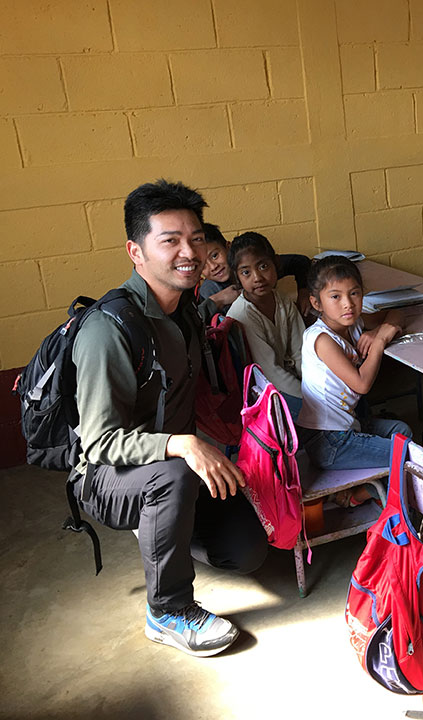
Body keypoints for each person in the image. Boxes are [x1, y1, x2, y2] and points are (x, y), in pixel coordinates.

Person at [72, 179, 268, 657]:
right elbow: (98, 444)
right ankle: (168, 610)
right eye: (170, 240)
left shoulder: (187, 313)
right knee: (173, 474)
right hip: (105, 476)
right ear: (135, 252)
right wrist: (180, 444)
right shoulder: (108, 329)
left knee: (247, 552)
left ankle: (161, 525)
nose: (189, 252)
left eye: (196, 239)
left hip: (172, 467)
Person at [296, 257, 411, 500]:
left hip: (349, 426)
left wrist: (379, 329)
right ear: (316, 303)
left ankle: (372, 493)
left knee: (402, 430)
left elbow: (397, 314)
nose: (347, 304)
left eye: (354, 293)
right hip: (329, 441)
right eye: (335, 297)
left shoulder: (354, 323)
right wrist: (379, 340)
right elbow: (361, 384)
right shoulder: (321, 339)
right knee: (407, 453)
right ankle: (361, 495)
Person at [226, 231, 305, 418]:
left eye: (263, 266)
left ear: (276, 263)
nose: (257, 278)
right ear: (237, 277)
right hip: (263, 391)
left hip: (287, 381)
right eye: (246, 272)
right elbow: (270, 372)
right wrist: (310, 400)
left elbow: (301, 352)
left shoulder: (282, 301)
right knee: (319, 414)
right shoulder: (242, 315)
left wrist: (319, 391)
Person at [198, 224, 313, 316]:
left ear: (228, 247)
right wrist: (217, 301)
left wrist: (303, 292)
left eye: (215, 256)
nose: (213, 267)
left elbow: (300, 262)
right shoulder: (209, 291)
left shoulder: (256, 264)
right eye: (202, 265)